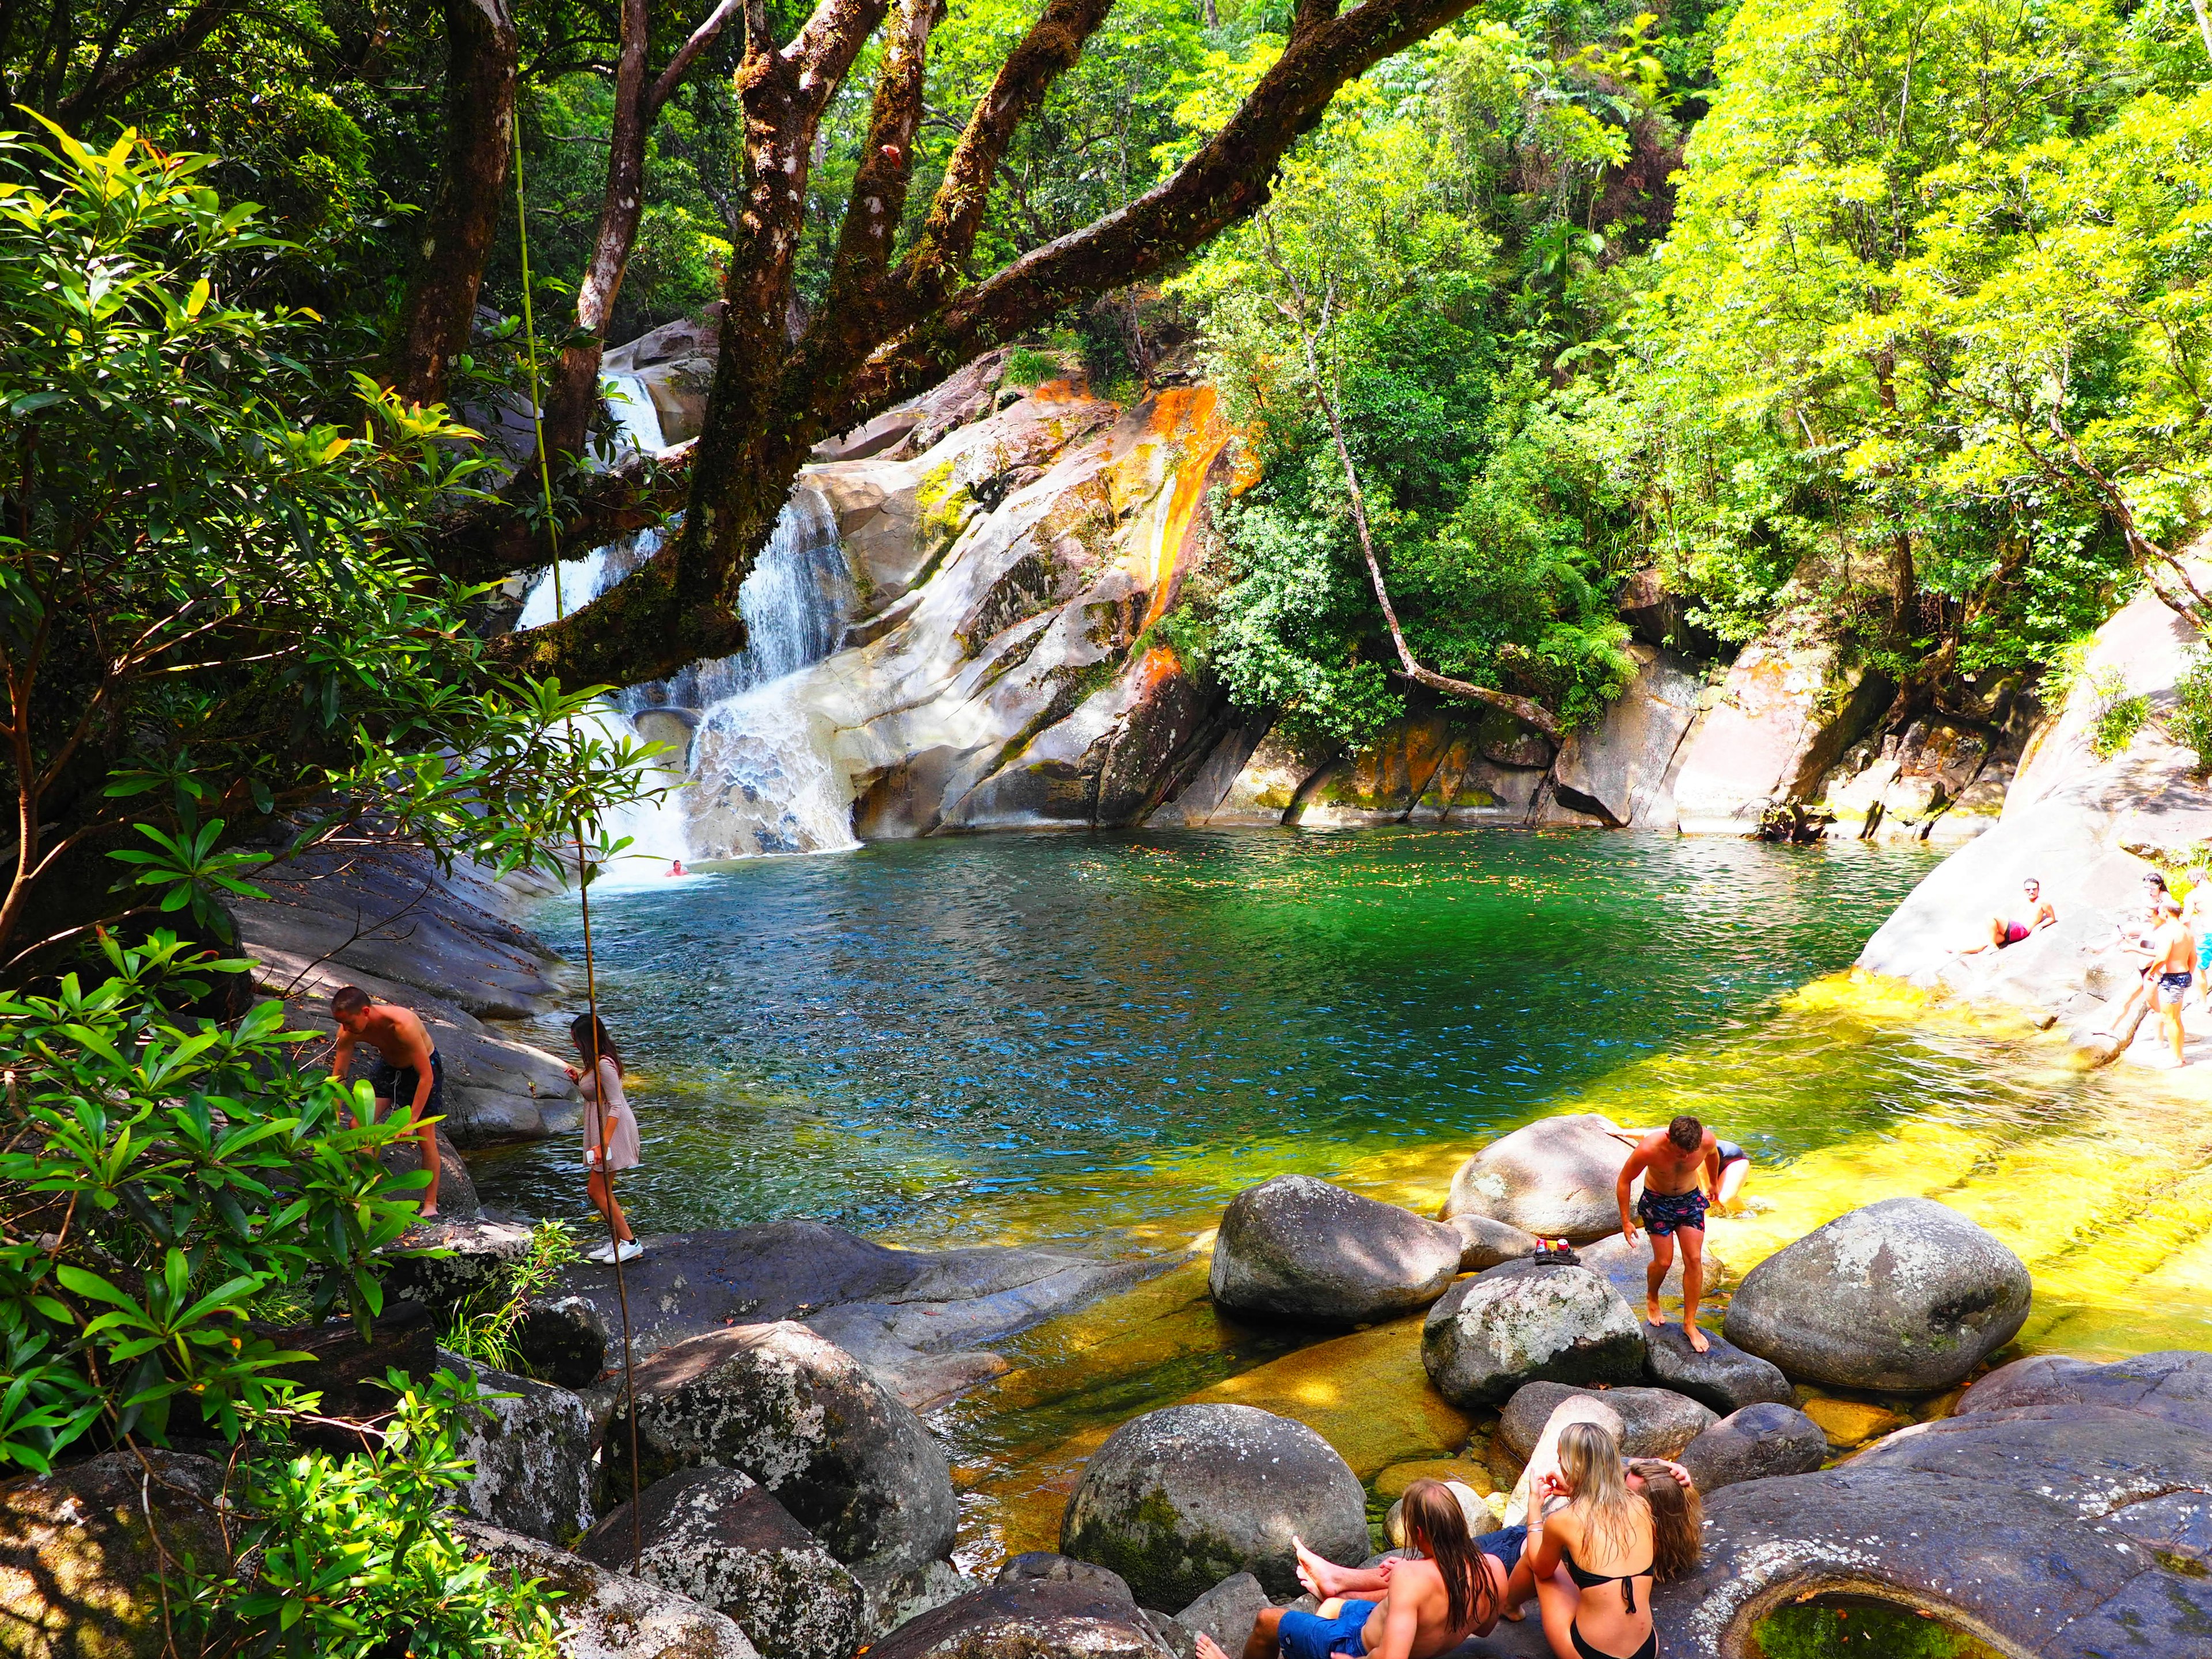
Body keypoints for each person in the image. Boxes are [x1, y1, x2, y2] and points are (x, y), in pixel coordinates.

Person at [1192, 1479, 1505, 1659]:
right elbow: (1483, 1629)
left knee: (1266, 1621)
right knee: (1330, 1605)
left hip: (1355, 1647)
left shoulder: (1411, 1578)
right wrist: (1414, 1573)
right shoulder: (1493, 1569)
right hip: (1396, 1636)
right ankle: (1326, 1595)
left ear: (1420, 1534)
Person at [1525, 1421, 1660, 1659]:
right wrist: (1578, 1491)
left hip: (1590, 1653)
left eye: (1560, 1460)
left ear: (1571, 1467)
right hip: (1647, 1649)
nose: (1559, 1465)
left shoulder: (1563, 1520)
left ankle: (1509, 1606)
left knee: (1532, 1549)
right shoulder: (1641, 1506)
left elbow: (1541, 1570)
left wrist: (1534, 1509)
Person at [328, 985, 444, 1218]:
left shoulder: (403, 1025)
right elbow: (339, 1076)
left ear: (366, 1012)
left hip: (420, 1070)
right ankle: (361, 1192)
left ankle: (430, 1205)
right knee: (358, 1127)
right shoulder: (348, 1032)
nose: (345, 1028)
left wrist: (411, 1121)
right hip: (389, 1067)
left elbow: (426, 1076)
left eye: (349, 1022)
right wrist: (331, 1116)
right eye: (342, 1023)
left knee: (425, 1135)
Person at [1615, 1116, 1718, 1353]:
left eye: (1689, 1152)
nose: (1684, 1157)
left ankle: (1689, 1324)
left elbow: (1713, 1155)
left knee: (1694, 1259)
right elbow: (1624, 1180)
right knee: (1664, 1261)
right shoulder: (1649, 1148)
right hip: (1657, 1203)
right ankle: (1652, 1297)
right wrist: (1626, 1221)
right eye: (1680, 1151)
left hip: (1689, 1200)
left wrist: (1713, 1182)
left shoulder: (1706, 1141)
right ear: (1669, 1137)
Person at [567, 1012, 643, 1262]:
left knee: (597, 1190)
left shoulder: (603, 1064)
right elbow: (596, 1093)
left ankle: (630, 1242)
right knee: (603, 1190)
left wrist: (604, 1143)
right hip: (601, 1127)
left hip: (613, 1129)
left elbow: (617, 1105)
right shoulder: (594, 1064)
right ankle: (619, 1241)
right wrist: (579, 1078)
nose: (574, 1044)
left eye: (576, 1039)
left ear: (587, 1040)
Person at [2091, 871, 2175, 1037]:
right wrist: (2129, 943)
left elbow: (2160, 954)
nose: (2145, 916)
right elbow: (2141, 942)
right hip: (2141, 969)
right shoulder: (2147, 928)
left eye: (2149, 915)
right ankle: (2110, 1028)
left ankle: (2169, 1037)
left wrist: (2133, 949)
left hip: (2154, 972)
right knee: (2125, 999)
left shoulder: (2165, 930)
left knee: (2156, 1007)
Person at [2147, 897, 2196, 1069]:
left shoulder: (2169, 931)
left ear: (2166, 913)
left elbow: (2162, 956)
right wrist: (2188, 975)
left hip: (2172, 979)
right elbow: (2193, 958)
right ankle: (2180, 1057)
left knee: (2170, 1019)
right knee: (2176, 1019)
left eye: (2161, 911)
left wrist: (2152, 972)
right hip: (2182, 976)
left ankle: (2175, 1059)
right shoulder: (2187, 931)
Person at [1962, 876, 2056, 954]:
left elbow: (2051, 918)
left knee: (1990, 915)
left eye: (2034, 889)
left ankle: (1993, 947)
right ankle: (1959, 951)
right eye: (2028, 890)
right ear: (2025, 891)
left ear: (2038, 889)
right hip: (2012, 933)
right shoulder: (2024, 901)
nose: (2031, 892)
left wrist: (2039, 927)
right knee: (1986, 941)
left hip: (2020, 930)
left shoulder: (2043, 902)